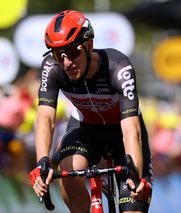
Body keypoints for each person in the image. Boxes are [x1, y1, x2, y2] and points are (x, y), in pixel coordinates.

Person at [29, 10, 152, 213]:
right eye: (58, 54)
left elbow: (131, 129)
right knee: (67, 169)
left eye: (73, 51)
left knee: (133, 203)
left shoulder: (118, 67)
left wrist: (134, 170)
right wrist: (41, 162)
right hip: (85, 129)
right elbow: (45, 117)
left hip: (122, 134)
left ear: (89, 45)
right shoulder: (52, 68)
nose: (67, 62)